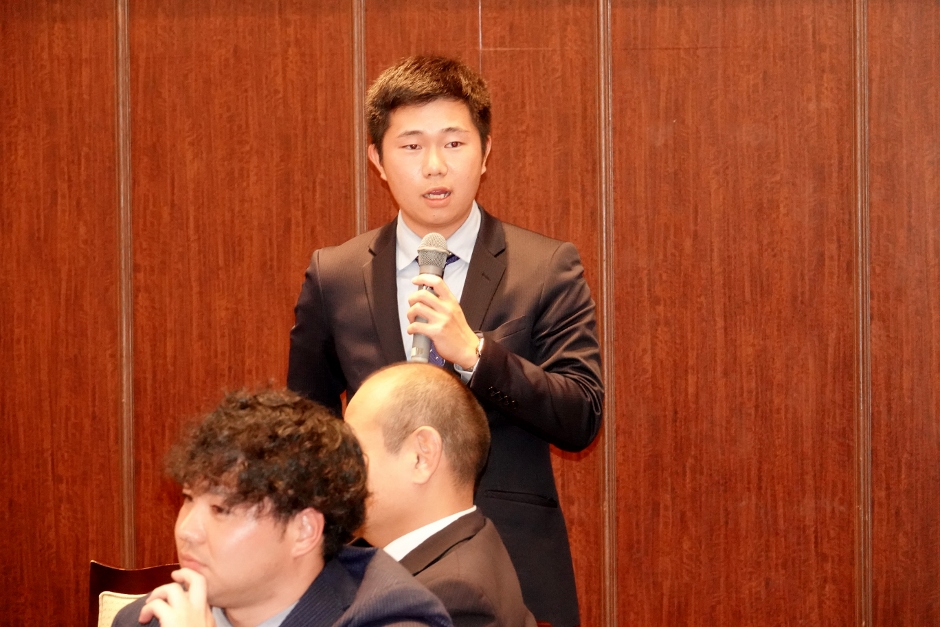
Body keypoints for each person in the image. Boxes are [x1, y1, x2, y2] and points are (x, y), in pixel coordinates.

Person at [288, 55, 603, 627]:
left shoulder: (545, 267)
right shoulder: (335, 275)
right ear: (377, 160)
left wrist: (477, 356)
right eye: (411, 146)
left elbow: (581, 414)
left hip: (514, 571)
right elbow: (308, 431)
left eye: (454, 143)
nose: (435, 165)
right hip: (369, 573)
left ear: (485, 152)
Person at [112, 389, 452, 627]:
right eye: (188, 499)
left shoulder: (389, 619)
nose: (187, 531)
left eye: (221, 510)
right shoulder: (148, 619)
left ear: (304, 530)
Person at [345, 363, 536, 627]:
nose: (338, 471)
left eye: (353, 452)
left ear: (421, 457)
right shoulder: (471, 541)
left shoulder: (451, 597)